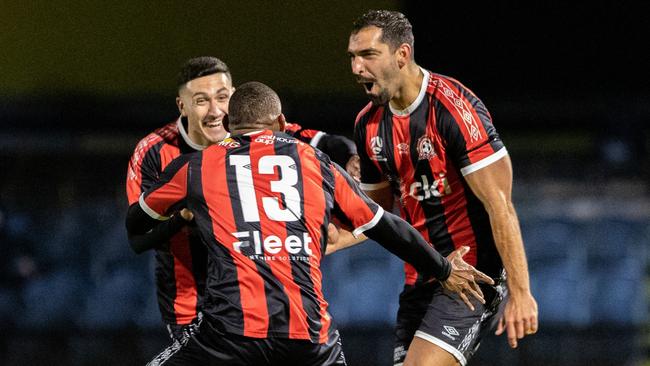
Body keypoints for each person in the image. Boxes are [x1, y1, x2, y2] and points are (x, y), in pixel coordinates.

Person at [125, 81, 494, 365]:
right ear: (282, 122)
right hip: (311, 341)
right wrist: (444, 269)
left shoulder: (195, 167)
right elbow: (387, 226)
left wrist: (184, 218)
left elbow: (136, 223)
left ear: (228, 124)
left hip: (229, 336)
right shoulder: (316, 162)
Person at [344, 10, 539, 366]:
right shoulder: (367, 125)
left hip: (471, 277)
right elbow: (373, 214)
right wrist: (313, 240)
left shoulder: (453, 108)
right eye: (353, 57)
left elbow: (500, 205)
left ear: (402, 54)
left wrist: (521, 293)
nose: (357, 68)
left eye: (368, 55)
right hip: (421, 279)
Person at [125, 57, 362, 345]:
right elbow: (140, 236)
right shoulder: (153, 153)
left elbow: (325, 142)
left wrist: (350, 158)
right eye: (201, 100)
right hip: (192, 306)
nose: (215, 111)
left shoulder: (256, 132)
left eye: (223, 97)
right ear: (182, 106)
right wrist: (186, 219)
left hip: (263, 302)